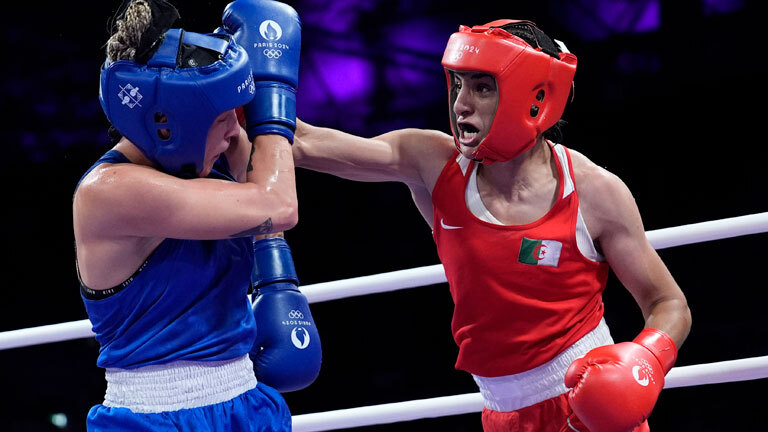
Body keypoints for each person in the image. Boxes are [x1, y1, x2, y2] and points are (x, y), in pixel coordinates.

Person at [293, 20, 691, 432]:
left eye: (482, 88)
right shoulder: (432, 163)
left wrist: (644, 362)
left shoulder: (593, 192)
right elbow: (303, 143)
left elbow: (669, 303)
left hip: (591, 405)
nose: (460, 104)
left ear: (536, 98)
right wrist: (257, 86)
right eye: (458, 84)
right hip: (501, 415)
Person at [73, 0, 319, 430]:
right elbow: (278, 207)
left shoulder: (199, 160)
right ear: (169, 124)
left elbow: (304, 160)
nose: (234, 131)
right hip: (155, 418)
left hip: (247, 404)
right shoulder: (110, 192)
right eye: (223, 118)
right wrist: (274, 103)